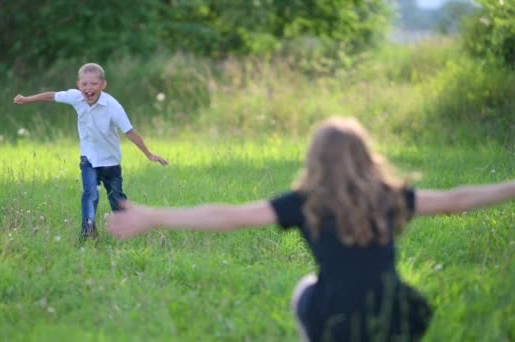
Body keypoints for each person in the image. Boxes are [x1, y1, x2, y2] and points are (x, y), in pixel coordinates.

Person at [106, 117, 515, 341]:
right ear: (366, 156)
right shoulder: (390, 197)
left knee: (305, 288)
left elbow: (227, 216)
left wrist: (155, 215)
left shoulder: (306, 203)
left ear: (315, 160)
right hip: (392, 312)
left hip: (332, 315)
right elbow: (459, 199)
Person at [14, 63, 168, 240]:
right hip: (89, 159)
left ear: (103, 85)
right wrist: (27, 99)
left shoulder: (113, 106)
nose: (88, 88)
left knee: (117, 198)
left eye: (94, 84)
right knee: (90, 194)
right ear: (79, 85)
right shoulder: (76, 97)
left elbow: (130, 133)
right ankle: (88, 230)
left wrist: (149, 154)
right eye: (85, 84)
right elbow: (52, 96)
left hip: (111, 162)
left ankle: (130, 227)